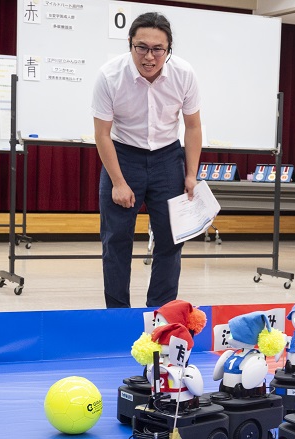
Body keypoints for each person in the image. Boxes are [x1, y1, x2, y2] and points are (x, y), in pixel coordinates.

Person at [92, 12, 202, 309]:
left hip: (168, 158)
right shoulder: (109, 75)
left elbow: (192, 126)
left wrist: (190, 174)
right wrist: (117, 182)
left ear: (168, 50)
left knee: (170, 240)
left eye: (158, 49)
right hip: (123, 155)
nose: (149, 57)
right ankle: (117, 314)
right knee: (115, 240)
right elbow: (102, 134)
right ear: (130, 44)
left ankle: (161, 314)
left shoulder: (184, 74)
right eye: (142, 47)